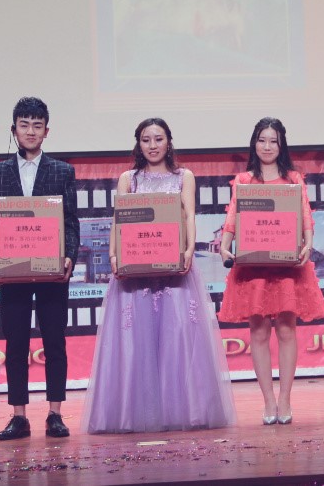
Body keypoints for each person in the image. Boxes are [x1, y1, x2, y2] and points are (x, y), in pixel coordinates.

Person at [82, 118, 235, 433]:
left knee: (177, 338)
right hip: (135, 275)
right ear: (138, 144)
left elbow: (189, 215)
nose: (152, 145)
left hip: (174, 272)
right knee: (137, 342)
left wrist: (189, 250)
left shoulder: (183, 177)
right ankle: (135, 414)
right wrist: (113, 255)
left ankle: (182, 412)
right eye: (146, 140)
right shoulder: (129, 179)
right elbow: (119, 220)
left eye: (158, 139)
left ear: (169, 142)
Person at [0, 97, 79, 440]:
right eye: (25, 125)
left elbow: (70, 222)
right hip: (13, 271)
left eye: (37, 125)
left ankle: (55, 413)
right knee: (16, 344)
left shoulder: (62, 171)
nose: (31, 131)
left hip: (52, 272)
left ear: (47, 131)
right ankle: (18, 416)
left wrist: (69, 256)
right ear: (14, 130)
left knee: (55, 342)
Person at [218, 117, 324, 426]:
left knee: (287, 330)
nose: (267, 146)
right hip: (253, 266)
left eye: (273, 141)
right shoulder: (243, 180)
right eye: (262, 140)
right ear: (254, 143)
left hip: (286, 267)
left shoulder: (293, 178)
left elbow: (305, 216)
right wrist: (225, 246)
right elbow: (232, 218)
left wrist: (308, 244)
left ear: (281, 145)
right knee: (258, 332)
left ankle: (285, 398)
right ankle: (268, 400)